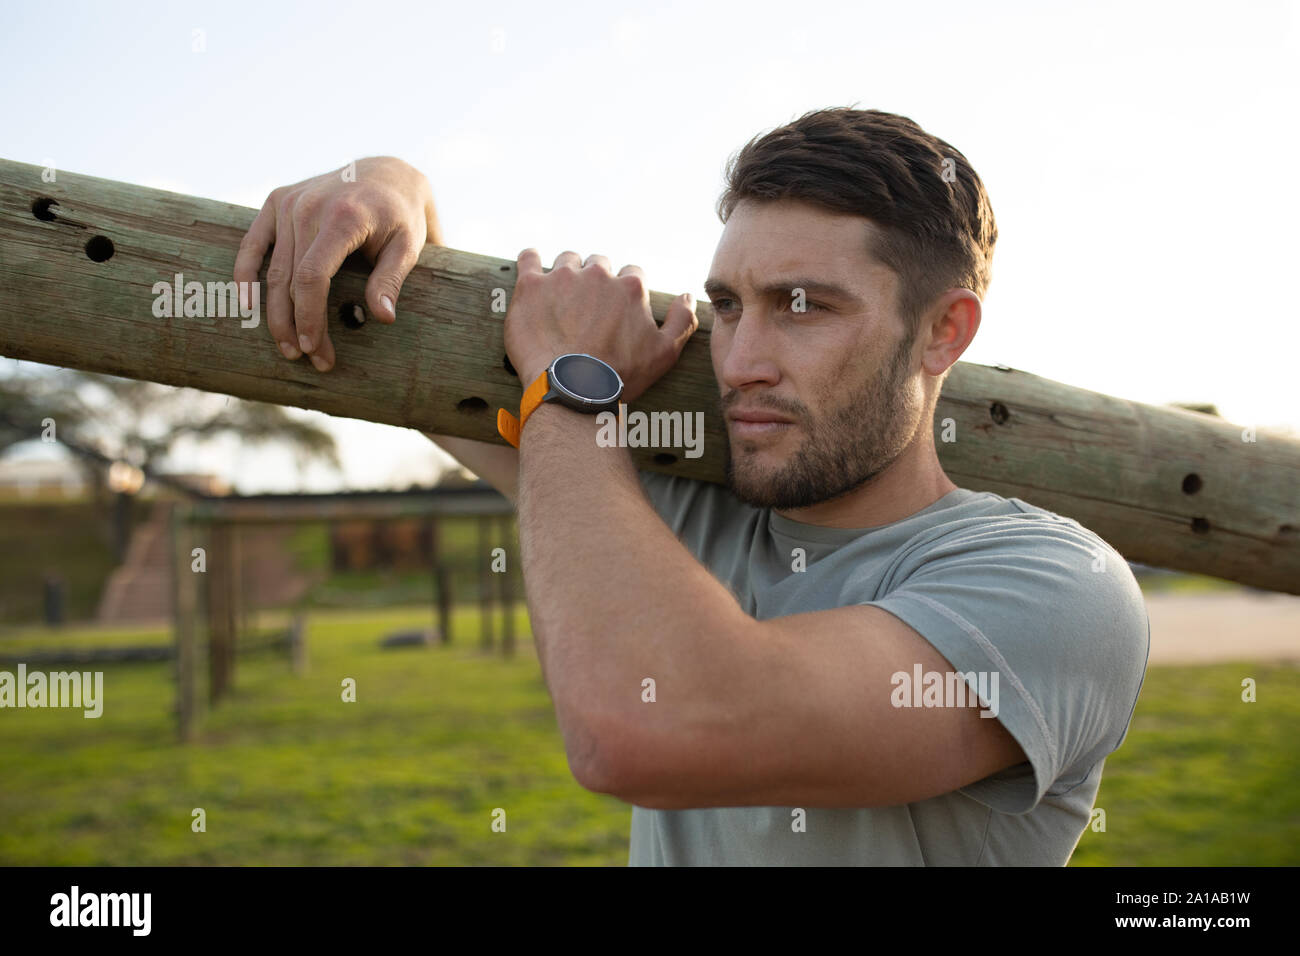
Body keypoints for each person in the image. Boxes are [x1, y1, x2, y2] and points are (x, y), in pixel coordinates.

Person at [234, 107, 1149, 865]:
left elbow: (648, 724)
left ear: (944, 332)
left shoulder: (1056, 586)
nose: (742, 360)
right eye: (726, 305)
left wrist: (571, 383)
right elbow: (395, 316)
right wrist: (391, 181)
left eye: (804, 307)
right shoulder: (649, 511)